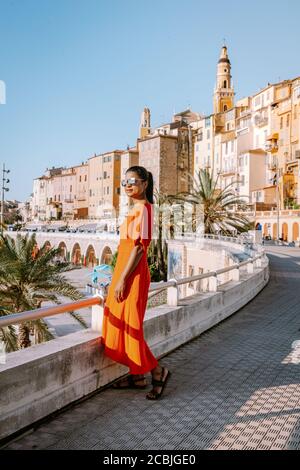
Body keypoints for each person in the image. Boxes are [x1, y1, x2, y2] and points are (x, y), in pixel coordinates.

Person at [101, 165, 171, 400]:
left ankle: (158, 371)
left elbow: (140, 249)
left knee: (132, 328)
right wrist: (117, 276)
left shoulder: (145, 210)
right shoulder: (135, 210)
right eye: (125, 182)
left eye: (133, 181)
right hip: (124, 273)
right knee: (118, 322)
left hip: (133, 276)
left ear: (145, 184)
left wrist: (121, 280)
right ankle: (137, 375)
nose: (128, 185)